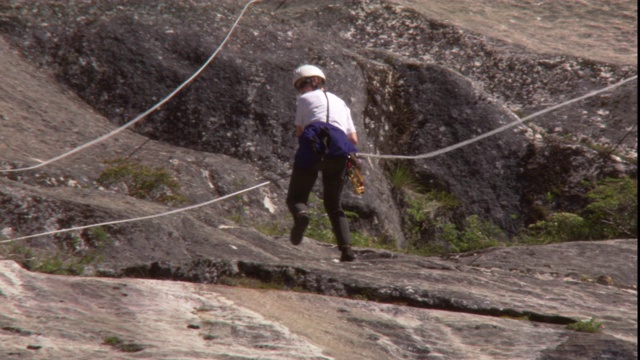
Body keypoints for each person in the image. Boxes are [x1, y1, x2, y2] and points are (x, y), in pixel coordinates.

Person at [286, 64, 359, 262]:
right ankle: (347, 250)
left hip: (313, 148)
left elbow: (299, 131)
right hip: (339, 150)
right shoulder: (341, 103)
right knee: (334, 205)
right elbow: (353, 138)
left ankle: (301, 214)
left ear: (314, 81)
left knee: (295, 198)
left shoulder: (303, 99)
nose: (301, 89)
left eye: (302, 84)